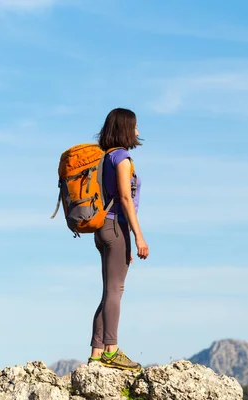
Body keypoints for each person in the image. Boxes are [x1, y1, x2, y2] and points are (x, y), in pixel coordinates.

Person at [87, 107, 149, 371]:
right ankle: (111, 350)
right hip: (116, 226)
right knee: (115, 292)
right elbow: (125, 199)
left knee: (108, 291)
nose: (137, 131)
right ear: (125, 128)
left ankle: (97, 353)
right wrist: (138, 236)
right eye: (134, 127)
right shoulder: (122, 159)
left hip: (103, 229)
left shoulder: (103, 158)